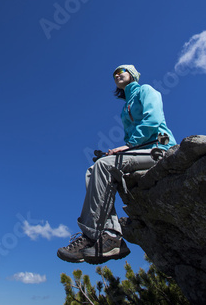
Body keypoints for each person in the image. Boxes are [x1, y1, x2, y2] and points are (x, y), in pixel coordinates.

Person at [57, 64, 176, 265]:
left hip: (159, 148)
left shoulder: (147, 90)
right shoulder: (125, 107)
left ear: (133, 75)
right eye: (114, 74)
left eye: (122, 71)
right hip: (139, 150)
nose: (117, 74)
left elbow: (153, 120)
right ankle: (96, 234)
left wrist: (127, 146)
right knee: (93, 169)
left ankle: (108, 236)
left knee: (104, 166)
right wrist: (123, 150)